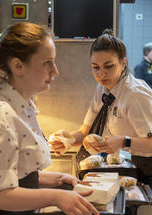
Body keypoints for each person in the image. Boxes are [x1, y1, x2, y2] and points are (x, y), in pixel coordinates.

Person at [0, 22, 99, 215]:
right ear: (18, 65)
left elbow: (15, 173)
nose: (55, 71)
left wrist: (57, 180)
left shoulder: (24, 106)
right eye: (47, 63)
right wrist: (56, 196)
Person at [50, 29, 152, 187]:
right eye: (95, 67)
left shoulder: (135, 94)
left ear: (123, 63)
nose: (101, 74)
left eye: (109, 66)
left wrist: (124, 141)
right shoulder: (102, 89)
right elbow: (85, 131)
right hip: (126, 165)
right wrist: (68, 140)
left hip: (146, 168)